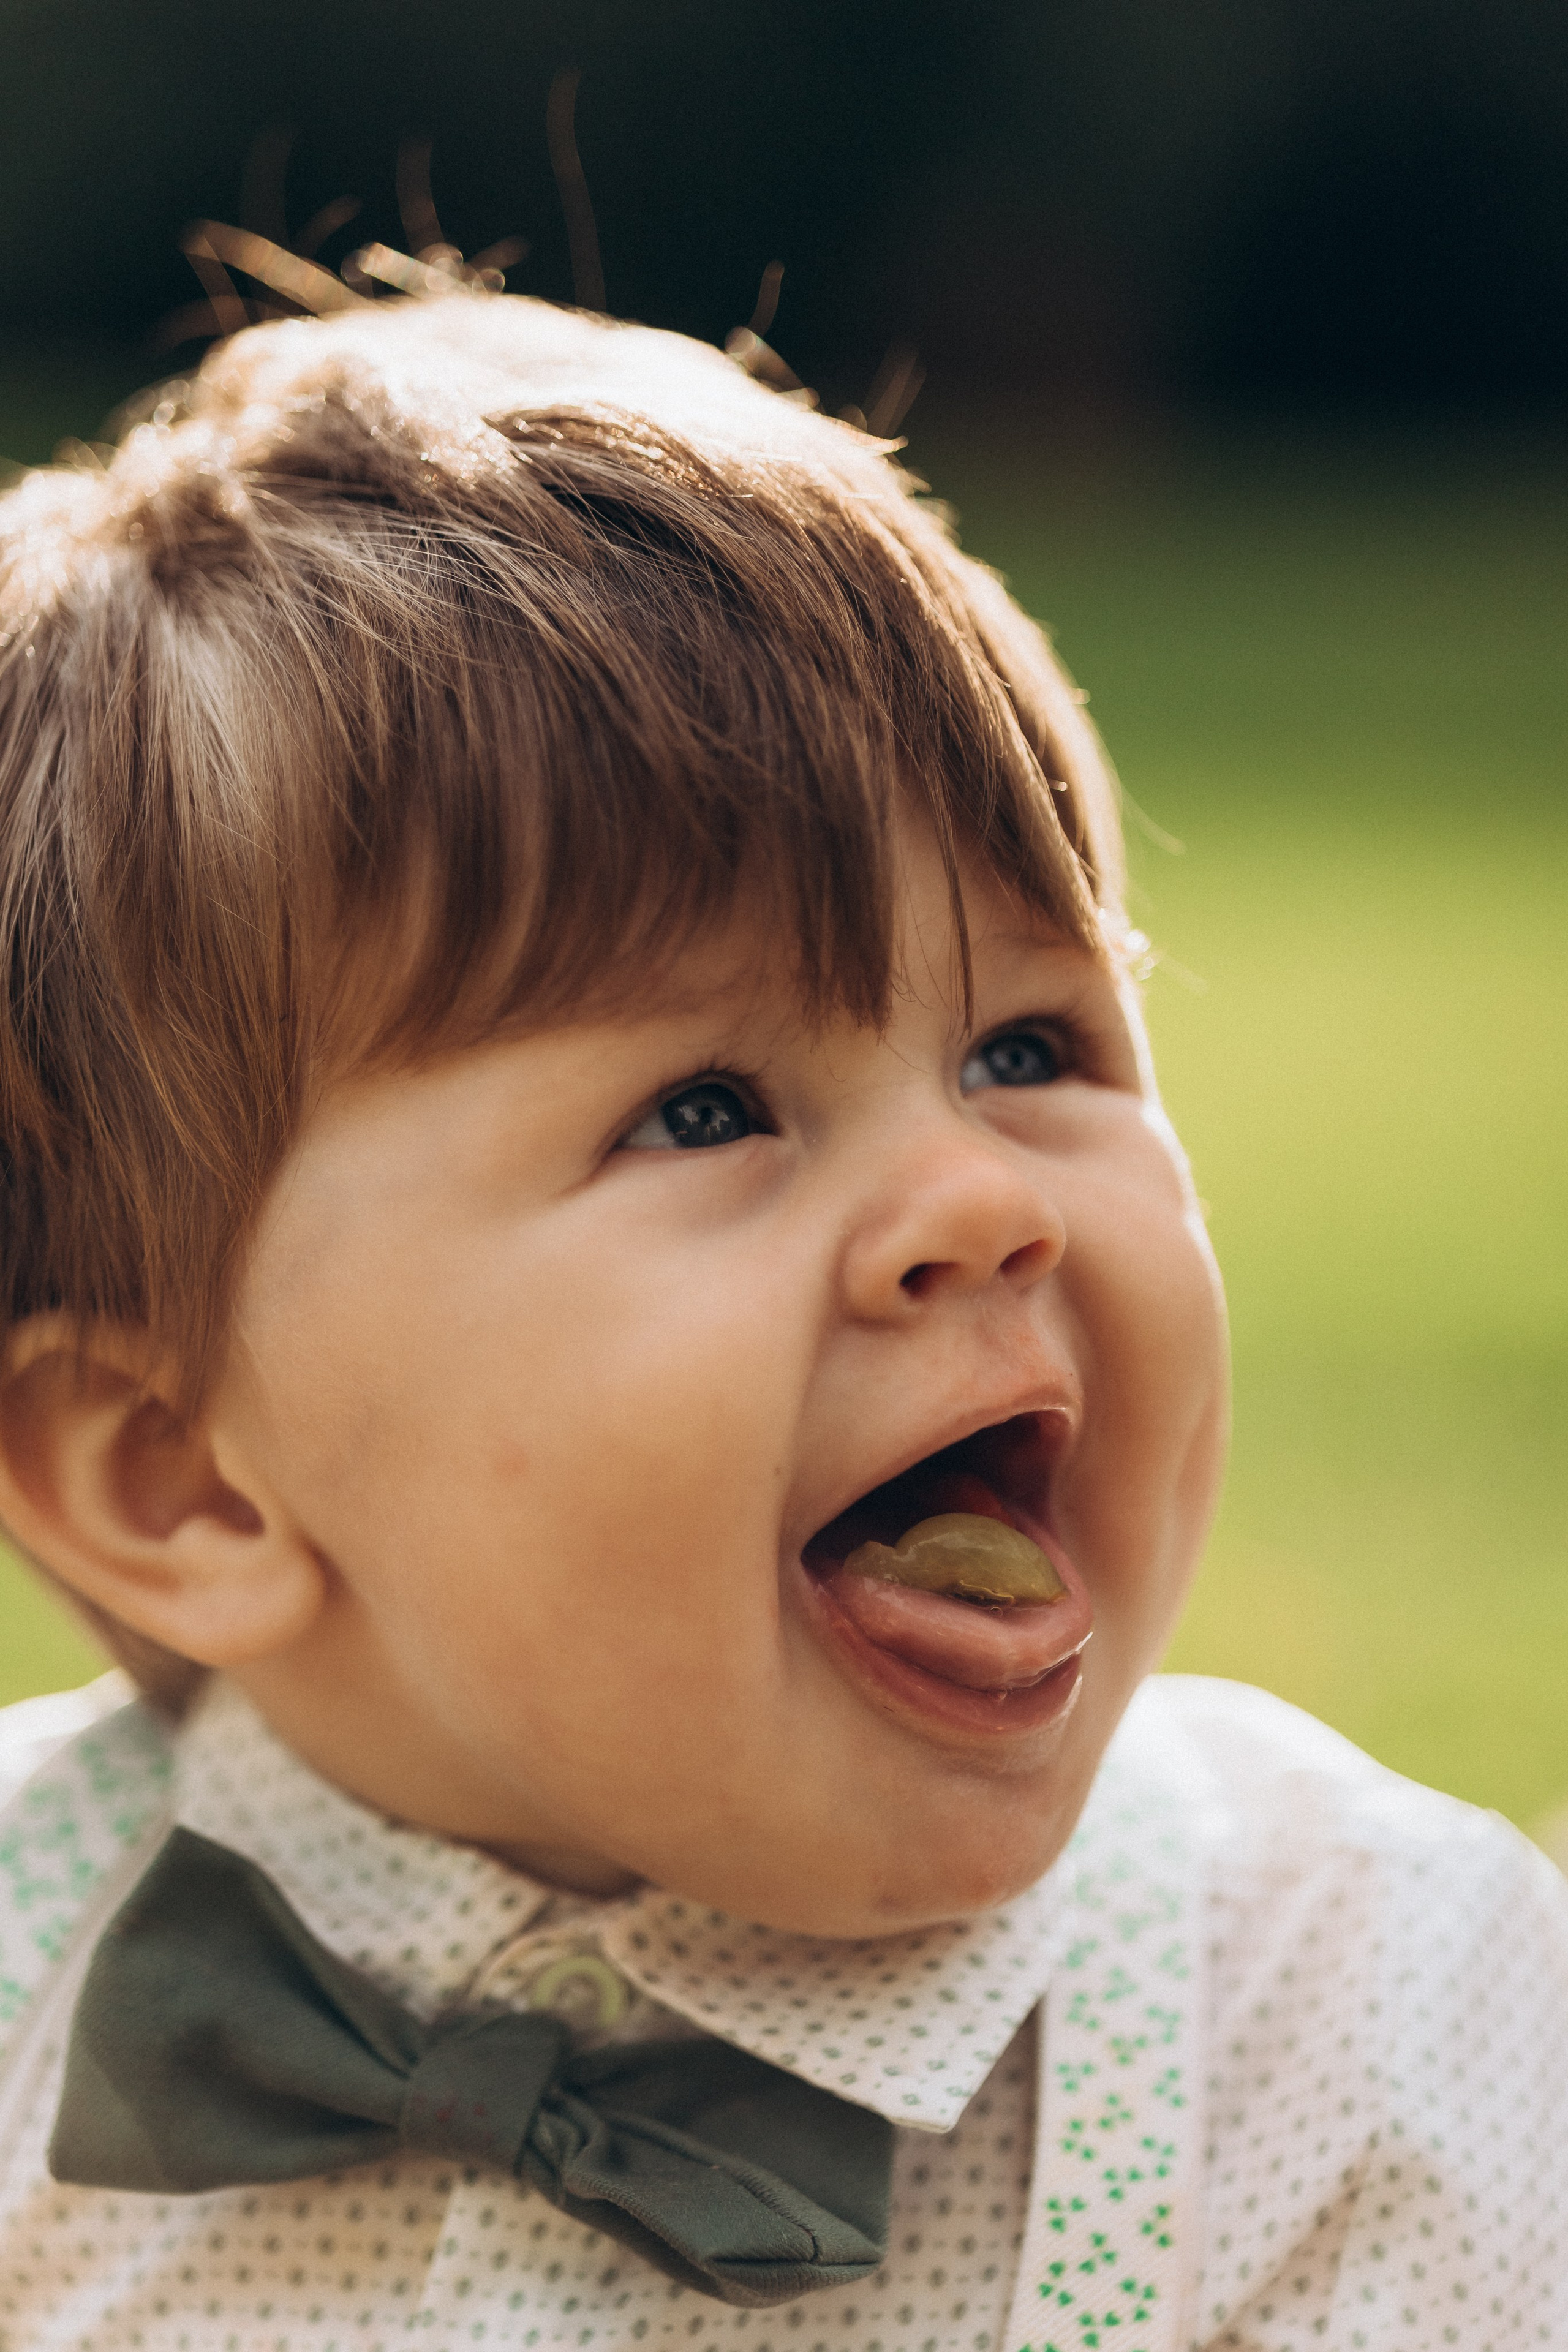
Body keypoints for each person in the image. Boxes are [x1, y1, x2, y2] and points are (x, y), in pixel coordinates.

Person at [0, 285, 1561, 2352]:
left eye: (1028, 1043)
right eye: (708, 1109)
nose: (984, 1202)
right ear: (186, 1477)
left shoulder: (1377, 2029)